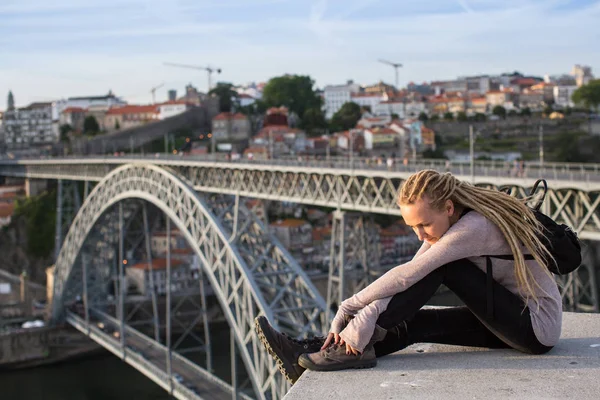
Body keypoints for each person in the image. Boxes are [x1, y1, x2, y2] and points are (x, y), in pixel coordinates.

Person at [255, 169, 561, 383]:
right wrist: (366, 315)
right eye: (413, 227)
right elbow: (408, 277)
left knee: (443, 266)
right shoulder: (448, 225)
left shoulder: (474, 228)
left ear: (449, 208)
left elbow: (411, 275)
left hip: (534, 327)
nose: (419, 236)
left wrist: (350, 306)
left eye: (424, 225)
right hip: (505, 318)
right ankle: (315, 350)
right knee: (415, 323)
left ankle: (350, 350)